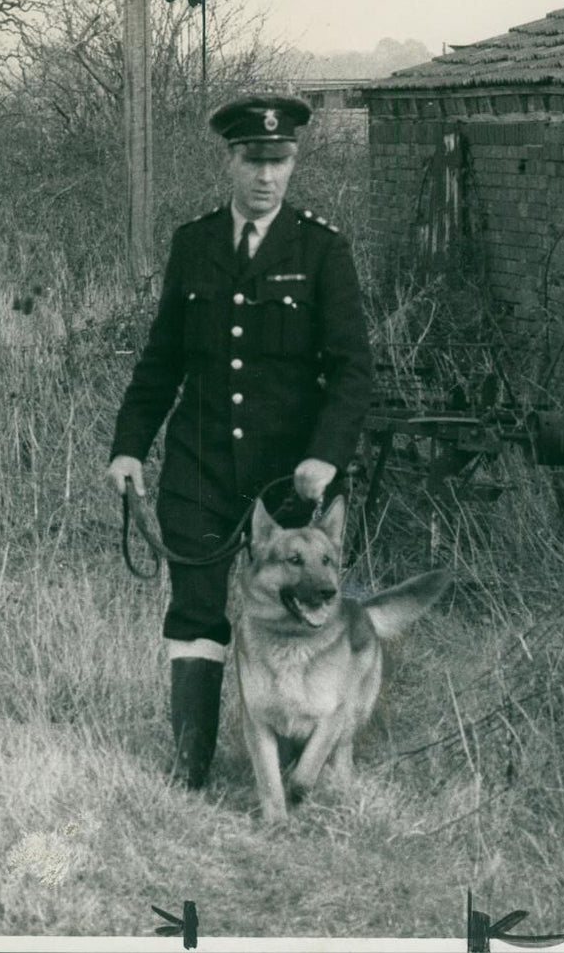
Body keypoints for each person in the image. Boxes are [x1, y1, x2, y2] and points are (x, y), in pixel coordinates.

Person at [107, 93, 373, 790]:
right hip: (198, 469)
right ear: (228, 161)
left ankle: (299, 759)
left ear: (294, 162)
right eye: (253, 160)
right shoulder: (192, 244)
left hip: (291, 482)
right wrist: (129, 446)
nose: (266, 175)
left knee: (303, 615)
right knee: (195, 611)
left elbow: (352, 370)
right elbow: (163, 360)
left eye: (279, 160)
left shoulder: (321, 249)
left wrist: (326, 454)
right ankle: (191, 768)